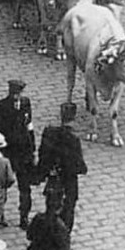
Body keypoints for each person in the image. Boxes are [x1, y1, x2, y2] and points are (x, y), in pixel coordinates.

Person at [0, 79, 36, 230]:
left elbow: (30, 126)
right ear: (9, 92)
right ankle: (0, 215)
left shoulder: (26, 104)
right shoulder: (1, 106)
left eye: (19, 94)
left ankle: (24, 216)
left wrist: (33, 149)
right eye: (14, 94)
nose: (17, 98)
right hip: (7, 152)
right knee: (2, 186)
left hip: (23, 153)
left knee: (25, 188)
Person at [35, 102, 88, 238]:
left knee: (51, 209)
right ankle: (63, 243)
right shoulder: (73, 139)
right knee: (67, 213)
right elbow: (79, 166)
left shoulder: (50, 133)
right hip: (68, 184)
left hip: (53, 180)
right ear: (74, 118)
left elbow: (43, 156)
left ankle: (47, 238)